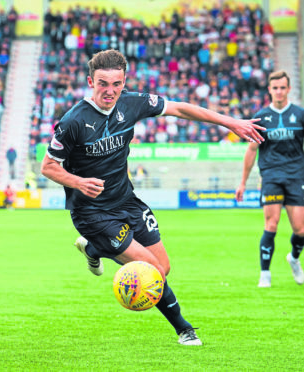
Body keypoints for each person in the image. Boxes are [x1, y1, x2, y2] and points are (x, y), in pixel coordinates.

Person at [41, 50, 264, 346]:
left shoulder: (132, 103)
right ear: (89, 81)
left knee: (164, 267)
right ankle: (184, 329)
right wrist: (78, 182)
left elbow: (181, 109)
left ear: (124, 81)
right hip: (92, 213)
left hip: (127, 201)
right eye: (102, 83)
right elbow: (48, 166)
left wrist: (230, 123)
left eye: (116, 84)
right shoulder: (72, 122)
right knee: (153, 272)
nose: (110, 91)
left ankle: (95, 250)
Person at [235, 70, 304, 288]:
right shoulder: (262, 117)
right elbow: (251, 150)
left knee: (300, 230)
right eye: (275, 88)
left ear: (289, 89)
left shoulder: (300, 115)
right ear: (269, 90)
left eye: (283, 87)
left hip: (296, 176)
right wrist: (243, 182)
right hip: (271, 176)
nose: (279, 91)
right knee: (271, 224)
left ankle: (293, 258)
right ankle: (265, 273)